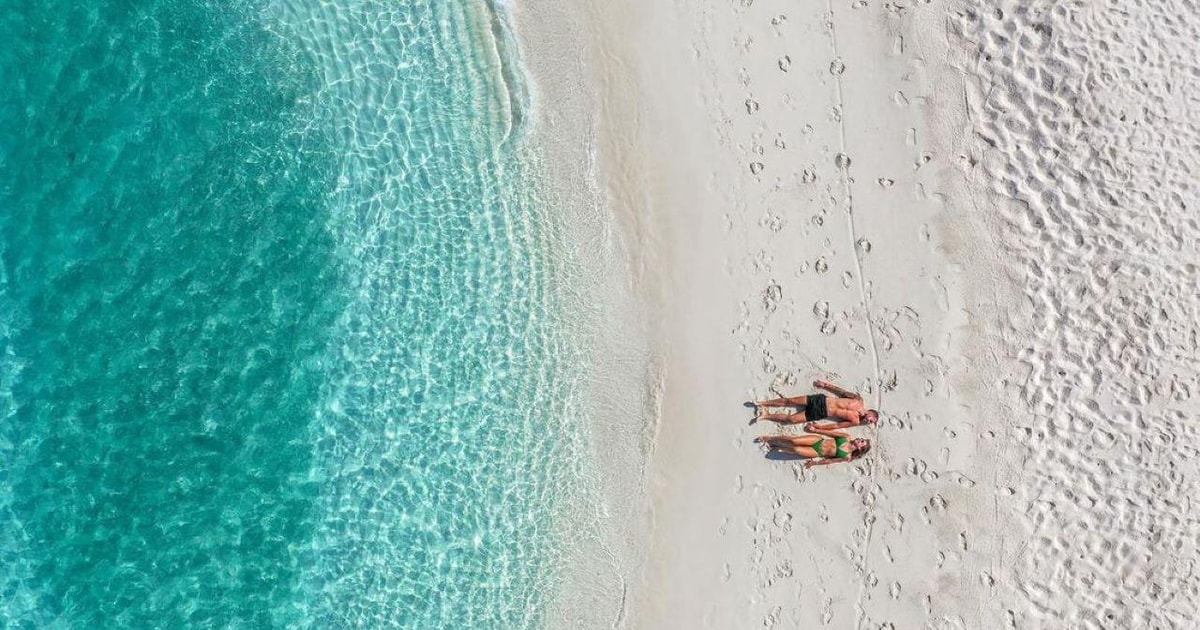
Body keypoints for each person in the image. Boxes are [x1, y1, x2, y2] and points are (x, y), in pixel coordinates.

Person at [751, 379, 879, 427]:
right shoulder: (858, 400)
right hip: (821, 400)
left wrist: (819, 428)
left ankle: (766, 416)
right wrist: (825, 385)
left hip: (820, 412)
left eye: (870, 423)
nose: (868, 422)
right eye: (871, 420)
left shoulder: (856, 421)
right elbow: (842, 392)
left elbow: (837, 426)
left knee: (792, 419)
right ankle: (763, 403)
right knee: (790, 401)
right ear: (871, 413)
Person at [755, 424, 871, 468]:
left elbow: (830, 461)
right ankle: (769, 438)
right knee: (794, 440)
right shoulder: (846, 437)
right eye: (861, 439)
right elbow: (830, 433)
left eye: (862, 442)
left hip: (817, 452)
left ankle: (780, 447)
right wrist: (816, 429)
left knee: (795, 449)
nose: (859, 440)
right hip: (818, 441)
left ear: (860, 448)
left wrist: (815, 463)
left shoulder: (847, 456)